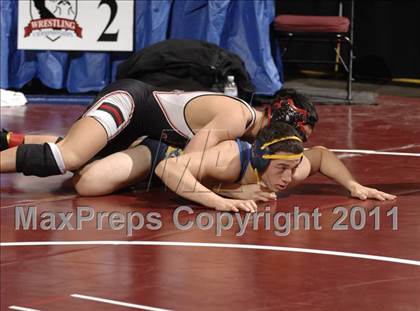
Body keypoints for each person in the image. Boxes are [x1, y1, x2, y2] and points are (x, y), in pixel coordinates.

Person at [0, 81, 317, 199]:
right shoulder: (237, 118)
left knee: (81, 161)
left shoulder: (244, 127)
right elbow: (187, 168)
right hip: (130, 104)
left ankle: (8, 139)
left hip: (140, 129)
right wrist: (235, 191)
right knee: (67, 157)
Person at [153, 122, 396, 212]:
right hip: (160, 150)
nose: (289, 177)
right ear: (260, 159)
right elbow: (167, 168)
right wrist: (222, 199)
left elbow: (320, 155)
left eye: (293, 167)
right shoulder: (230, 159)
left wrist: (353, 185)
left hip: (185, 178)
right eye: (281, 169)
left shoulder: (289, 166)